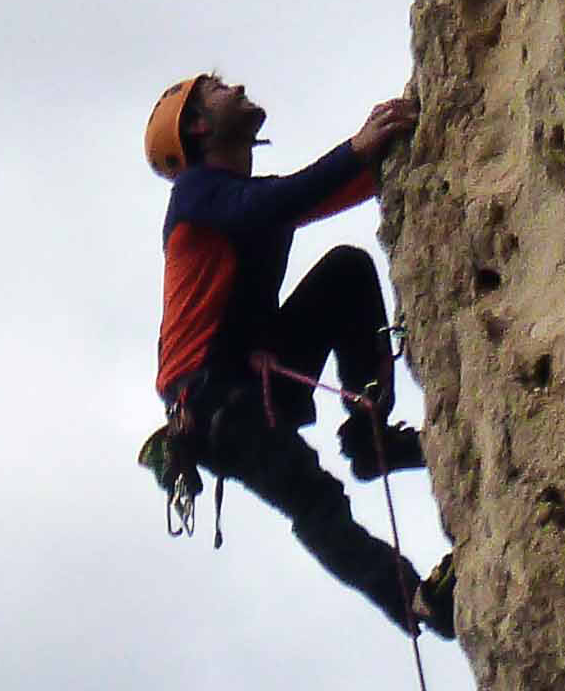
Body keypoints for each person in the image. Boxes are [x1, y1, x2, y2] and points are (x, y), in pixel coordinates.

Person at [145, 71, 455, 637]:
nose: (235, 89)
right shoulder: (197, 194)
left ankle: (369, 438)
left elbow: (314, 194)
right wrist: (358, 149)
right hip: (213, 401)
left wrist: (385, 155)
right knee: (315, 500)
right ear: (198, 125)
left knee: (346, 270)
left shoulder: (242, 200)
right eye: (217, 91)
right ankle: (416, 600)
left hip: (249, 375)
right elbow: (292, 197)